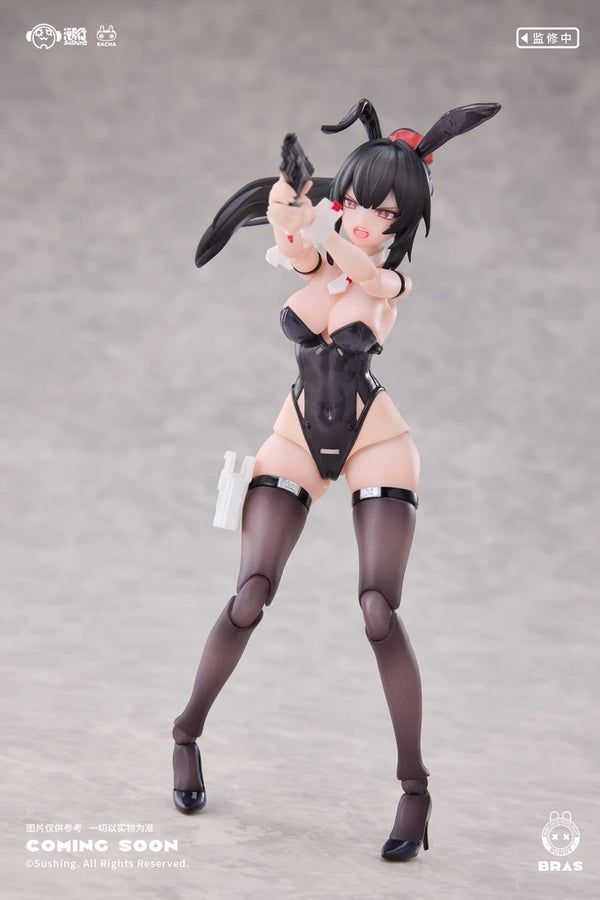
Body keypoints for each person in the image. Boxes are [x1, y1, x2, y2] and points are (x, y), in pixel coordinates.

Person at [171, 99, 500, 861]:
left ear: (402, 225)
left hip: (375, 439)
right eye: (358, 202)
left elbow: (356, 268)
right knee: (249, 596)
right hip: (294, 436)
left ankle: (414, 786)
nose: (368, 221)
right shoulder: (314, 258)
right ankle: (185, 733)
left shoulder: (388, 282)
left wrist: (327, 225)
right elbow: (293, 237)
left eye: (386, 214)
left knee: (379, 609)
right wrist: (290, 195)